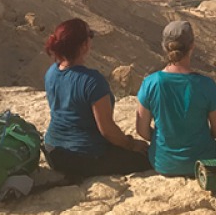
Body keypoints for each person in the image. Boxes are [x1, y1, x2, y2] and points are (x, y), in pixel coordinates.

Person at [43, 18, 151, 178]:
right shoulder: (92, 81)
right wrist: (131, 144)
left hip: (53, 151)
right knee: (148, 159)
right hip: (83, 156)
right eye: (90, 35)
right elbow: (107, 130)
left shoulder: (52, 71)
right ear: (84, 45)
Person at [136, 20, 216, 176]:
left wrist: (163, 140)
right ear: (192, 46)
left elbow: (142, 130)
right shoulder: (206, 84)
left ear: (165, 47)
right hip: (202, 161)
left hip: (163, 163)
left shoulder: (150, 83)